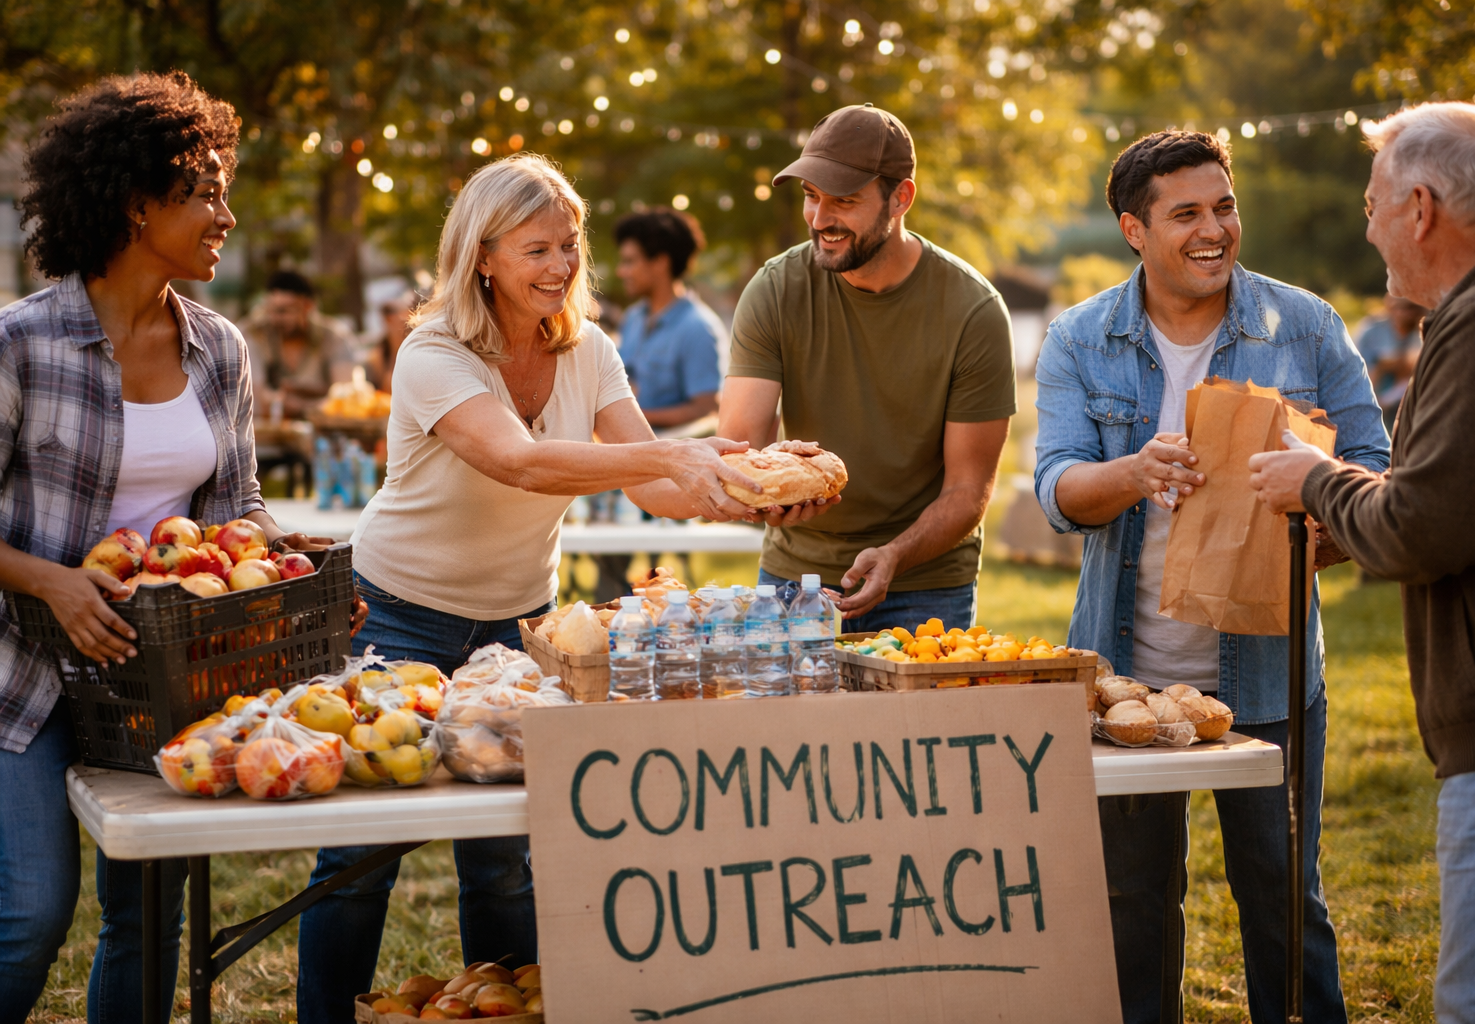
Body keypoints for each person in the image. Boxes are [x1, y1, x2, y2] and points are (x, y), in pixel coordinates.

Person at [296, 153, 767, 1023]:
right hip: (395, 614)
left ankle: (501, 1012)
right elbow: (517, 460)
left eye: (569, 245)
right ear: (482, 256)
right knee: (362, 854)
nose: (560, 266)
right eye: (536, 249)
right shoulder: (432, 352)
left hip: (516, 630)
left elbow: (650, 485)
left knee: (506, 856)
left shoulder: (589, 349)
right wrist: (670, 454)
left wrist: (739, 488)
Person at [0, 72, 349, 1024]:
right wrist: (53, 584)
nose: (226, 216)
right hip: (26, 668)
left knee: (149, 917)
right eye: (206, 193)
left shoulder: (219, 350)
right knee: (29, 915)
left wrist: (296, 563)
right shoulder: (21, 345)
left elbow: (237, 509)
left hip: (162, 676)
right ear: (136, 203)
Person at [1033, 130, 1391, 1024]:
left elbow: (1378, 474)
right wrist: (1133, 472)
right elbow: (1057, 488)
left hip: (1268, 673)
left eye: (1224, 207)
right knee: (1132, 904)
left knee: (1282, 897)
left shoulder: (1304, 325)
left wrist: (1317, 497)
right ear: (1134, 229)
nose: (1214, 230)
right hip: (1123, 684)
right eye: (1185, 213)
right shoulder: (1081, 337)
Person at [1249, 101, 1475, 1024]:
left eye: (1373, 205)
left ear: (1421, 208)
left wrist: (1315, 480)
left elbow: (1428, 528)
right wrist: (1349, 513)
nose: (1368, 227)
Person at [718, 103, 1016, 630]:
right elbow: (741, 448)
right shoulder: (775, 289)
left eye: (845, 200)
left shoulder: (973, 310)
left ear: (901, 198)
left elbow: (968, 490)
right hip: (795, 575)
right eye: (812, 196)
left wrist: (895, 555)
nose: (820, 219)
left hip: (924, 581)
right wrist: (760, 492)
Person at [613, 207, 726, 428]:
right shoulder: (633, 318)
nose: (621, 271)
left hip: (669, 446)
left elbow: (707, 410)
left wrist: (632, 417)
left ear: (660, 262)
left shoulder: (698, 328)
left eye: (629, 261)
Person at [238, 269, 358, 418]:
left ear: (308, 306)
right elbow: (253, 399)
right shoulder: (255, 334)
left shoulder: (334, 337)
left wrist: (300, 406)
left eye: (283, 311)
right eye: (270, 310)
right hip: (271, 427)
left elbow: (345, 397)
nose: (275, 318)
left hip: (325, 426)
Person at [1354, 292, 1425, 430]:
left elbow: (1414, 365)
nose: (1407, 313)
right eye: (1401, 308)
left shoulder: (1420, 329)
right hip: (1372, 388)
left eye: (1412, 308)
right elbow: (1362, 366)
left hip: (1405, 393)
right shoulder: (1372, 330)